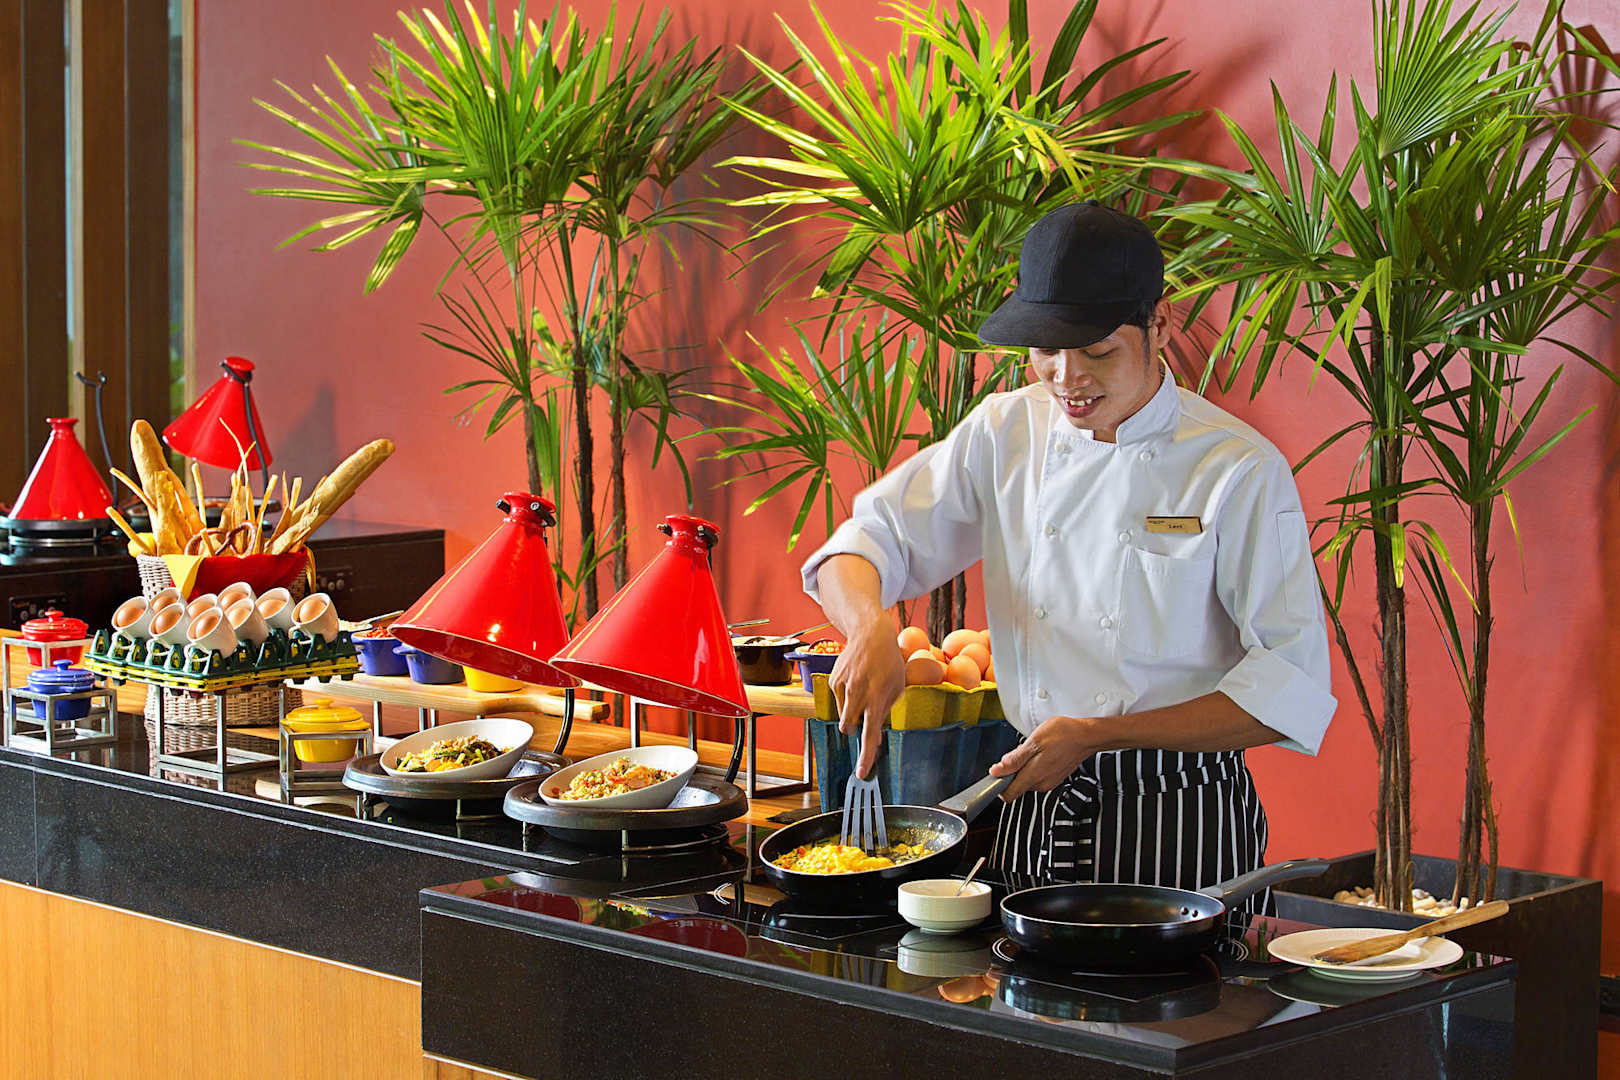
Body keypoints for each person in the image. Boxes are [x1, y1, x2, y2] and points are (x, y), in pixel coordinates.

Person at [800, 201, 1336, 909]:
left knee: (1189, 985)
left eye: (1096, 351)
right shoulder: (1005, 430)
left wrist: (1099, 734)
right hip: (1035, 797)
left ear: (1159, 324)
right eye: (1045, 349)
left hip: (1177, 811)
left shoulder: (1235, 467)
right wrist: (869, 626)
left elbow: (1289, 687)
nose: (1066, 376)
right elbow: (868, 541)